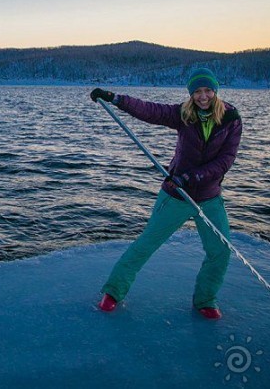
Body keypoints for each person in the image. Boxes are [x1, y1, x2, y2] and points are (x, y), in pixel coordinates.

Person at [90, 67, 242, 320]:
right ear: (191, 94)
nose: (202, 96)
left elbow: (226, 160)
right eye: (197, 92)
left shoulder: (231, 119)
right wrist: (115, 98)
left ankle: (205, 299)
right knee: (145, 245)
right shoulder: (183, 114)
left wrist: (191, 177)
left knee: (220, 251)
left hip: (209, 197)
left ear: (215, 90)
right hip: (176, 196)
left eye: (207, 90)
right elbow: (150, 110)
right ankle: (113, 293)